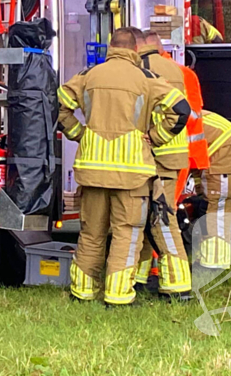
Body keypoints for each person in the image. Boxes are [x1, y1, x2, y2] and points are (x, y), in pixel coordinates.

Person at [57, 26, 191, 306]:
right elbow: (180, 110)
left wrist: (79, 133)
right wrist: (154, 137)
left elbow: (59, 106)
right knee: (126, 232)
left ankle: (82, 291)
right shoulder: (147, 79)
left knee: (91, 232)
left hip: (92, 170)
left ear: (110, 45)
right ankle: (118, 294)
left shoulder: (87, 75)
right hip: (132, 174)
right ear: (134, 49)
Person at [132, 31, 192, 300]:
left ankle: (177, 286)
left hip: (155, 156)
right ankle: (140, 277)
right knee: (148, 220)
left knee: (159, 221)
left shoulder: (143, 70)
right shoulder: (175, 69)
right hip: (173, 156)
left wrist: (152, 137)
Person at [196, 111, 231, 269]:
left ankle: (214, 264)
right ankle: (205, 256)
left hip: (225, 148)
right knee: (208, 205)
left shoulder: (163, 119)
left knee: (215, 207)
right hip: (226, 146)